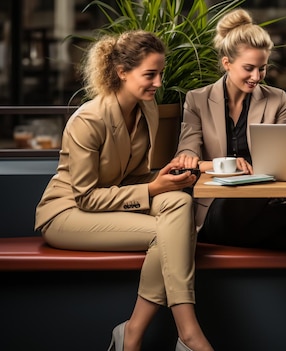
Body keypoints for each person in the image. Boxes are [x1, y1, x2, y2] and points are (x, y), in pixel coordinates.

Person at [34, 30, 213, 351]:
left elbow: (137, 176)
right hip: (67, 214)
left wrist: (174, 176)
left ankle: (132, 332)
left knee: (179, 203)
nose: (159, 83)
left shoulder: (148, 109)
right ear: (121, 72)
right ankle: (187, 333)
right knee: (167, 229)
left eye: (160, 73)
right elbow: (86, 197)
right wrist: (154, 187)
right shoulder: (87, 121)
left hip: (110, 204)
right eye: (150, 75)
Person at [175, 8, 286, 250]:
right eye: (249, 68)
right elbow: (186, 160)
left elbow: (285, 161)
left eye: (263, 68)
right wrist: (226, 164)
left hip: (263, 203)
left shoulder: (277, 99)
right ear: (227, 63)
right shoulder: (197, 100)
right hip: (217, 209)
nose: (257, 76)